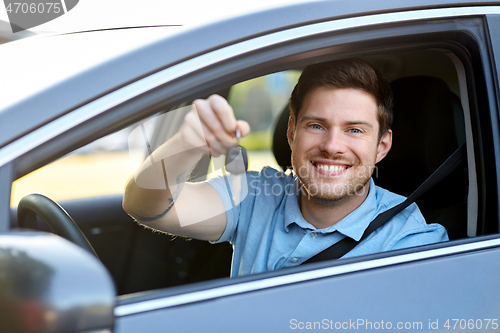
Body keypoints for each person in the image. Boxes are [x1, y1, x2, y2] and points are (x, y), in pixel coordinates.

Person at [123, 58, 448, 277]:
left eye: (354, 130)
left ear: (382, 146)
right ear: (292, 132)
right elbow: (146, 207)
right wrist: (186, 145)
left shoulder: (413, 243)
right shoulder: (253, 194)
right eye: (317, 126)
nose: (332, 146)